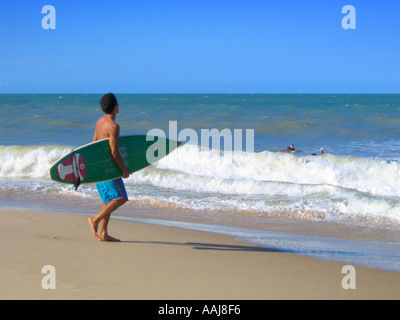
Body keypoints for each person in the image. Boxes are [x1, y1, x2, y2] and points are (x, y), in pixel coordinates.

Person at [88, 93, 132, 242]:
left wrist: (94, 168)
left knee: (107, 201)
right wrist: (124, 170)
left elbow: (94, 144)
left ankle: (104, 234)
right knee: (120, 198)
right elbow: (114, 152)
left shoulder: (99, 122)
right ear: (116, 107)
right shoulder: (113, 126)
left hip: (99, 169)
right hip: (108, 170)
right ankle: (95, 219)